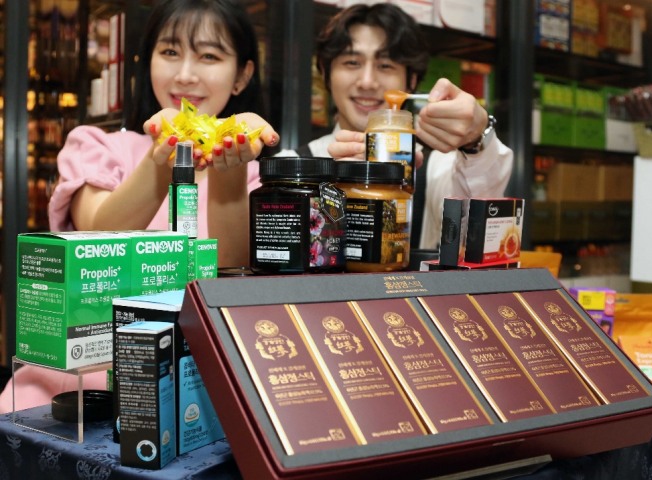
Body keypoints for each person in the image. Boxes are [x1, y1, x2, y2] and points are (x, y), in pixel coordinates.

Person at [0, 0, 278, 414]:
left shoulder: (259, 179)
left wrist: (230, 169)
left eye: (209, 56)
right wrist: (162, 157)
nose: (185, 74)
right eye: (170, 51)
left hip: (187, 394)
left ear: (241, 76)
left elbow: (228, 270)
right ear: (146, 61)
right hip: (69, 388)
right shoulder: (99, 146)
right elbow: (96, 233)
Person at [279, 3, 513, 250]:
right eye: (352, 62)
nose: (368, 82)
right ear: (326, 73)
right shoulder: (290, 165)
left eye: (386, 65)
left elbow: (478, 230)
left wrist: (477, 136)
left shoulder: (435, 167)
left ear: (411, 80)